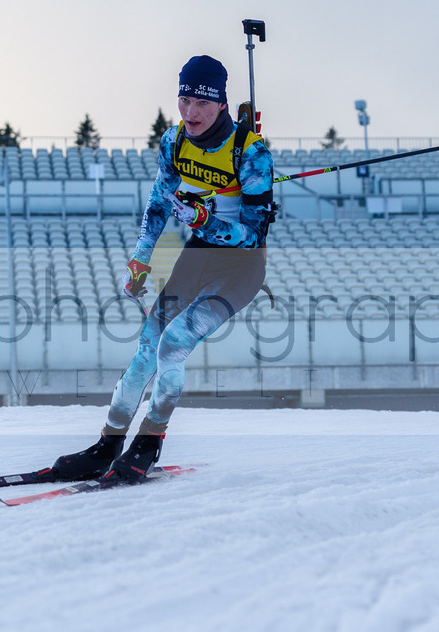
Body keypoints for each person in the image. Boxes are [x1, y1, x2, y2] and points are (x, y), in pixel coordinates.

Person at [52, 54, 276, 482]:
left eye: (202, 104)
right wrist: (140, 257)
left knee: (173, 342)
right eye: (184, 99)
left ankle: (148, 443)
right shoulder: (174, 141)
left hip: (241, 270)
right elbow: (158, 202)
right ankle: (107, 443)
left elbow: (253, 236)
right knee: (144, 353)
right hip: (197, 256)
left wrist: (204, 220)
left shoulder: (253, 155)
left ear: (222, 105)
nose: (191, 112)